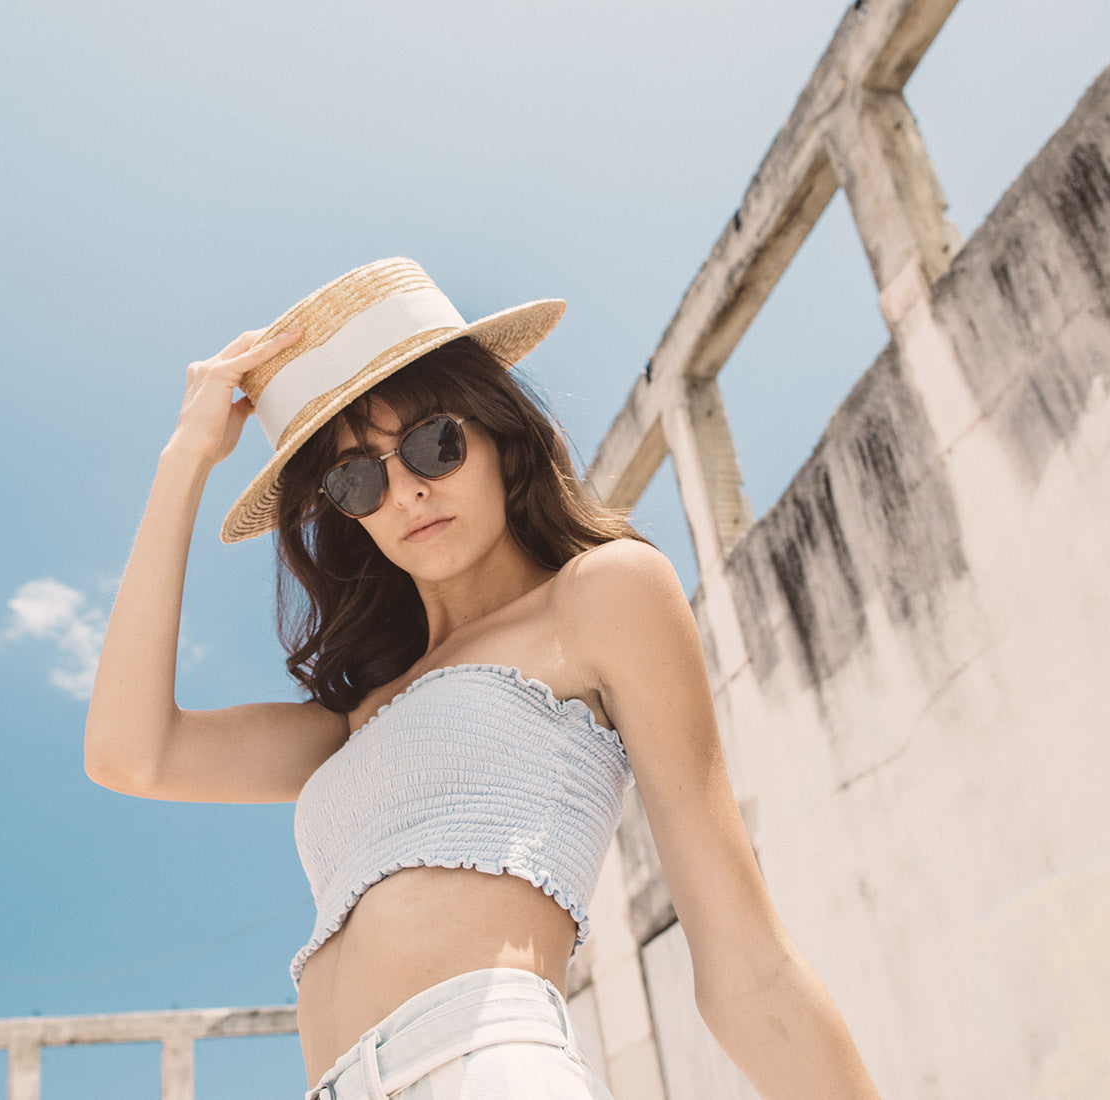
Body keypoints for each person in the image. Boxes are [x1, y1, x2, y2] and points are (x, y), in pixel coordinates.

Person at [84, 258, 880, 1098]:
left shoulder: (601, 595)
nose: (408, 490)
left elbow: (743, 956)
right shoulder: (349, 722)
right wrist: (185, 459)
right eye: (357, 478)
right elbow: (129, 754)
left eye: (434, 442)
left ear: (501, 434)